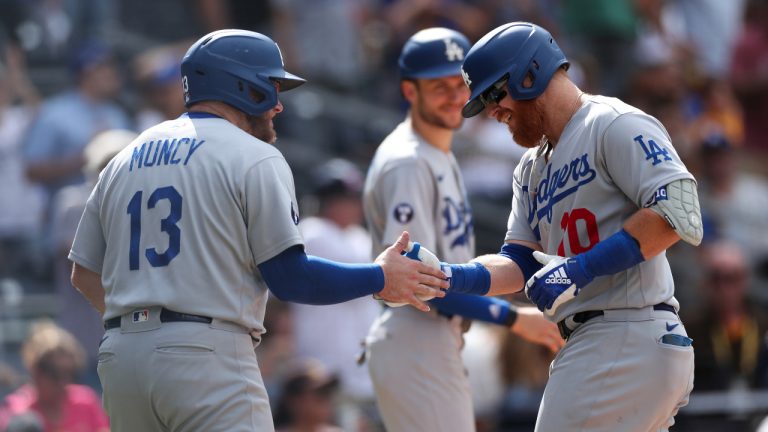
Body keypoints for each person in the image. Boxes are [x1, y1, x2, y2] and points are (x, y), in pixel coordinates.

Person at [67, 29, 448, 432]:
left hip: (122, 357)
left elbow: (84, 273)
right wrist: (380, 277)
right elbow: (290, 278)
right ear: (242, 86)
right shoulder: (254, 155)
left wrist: (143, 322)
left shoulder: (123, 157)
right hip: (205, 355)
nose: (278, 105)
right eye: (271, 86)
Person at [446, 22, 702, 430]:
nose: (493, 112)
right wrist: (447, 276)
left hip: (624, 332)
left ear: (530, 74)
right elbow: (520, 262)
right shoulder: (530, 168)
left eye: (495, 93)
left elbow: (679, 213)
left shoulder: (612, 122)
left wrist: (582, 268)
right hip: (604, 341)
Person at [362, 27, 563, 432]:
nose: (455, 96)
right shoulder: (408, 160)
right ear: (408, 91)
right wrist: (512, 318)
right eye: (439, 86)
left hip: (432, 336)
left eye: (461, 84)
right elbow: (418, 281)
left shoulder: (437, 154)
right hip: (416, 333)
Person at [293, 159, 381, 431]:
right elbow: (375, 273)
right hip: (324, 372)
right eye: (344, 199)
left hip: (363, 373)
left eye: (355, 199)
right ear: (325, 201)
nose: (353, 206)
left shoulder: (359, 237)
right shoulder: (312, 233)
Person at [0, 320, 109, 432]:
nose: (63, 382)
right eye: (54, 374)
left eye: (70, 373)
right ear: (36, 370)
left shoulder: (85, 401)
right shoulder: (18, 412)